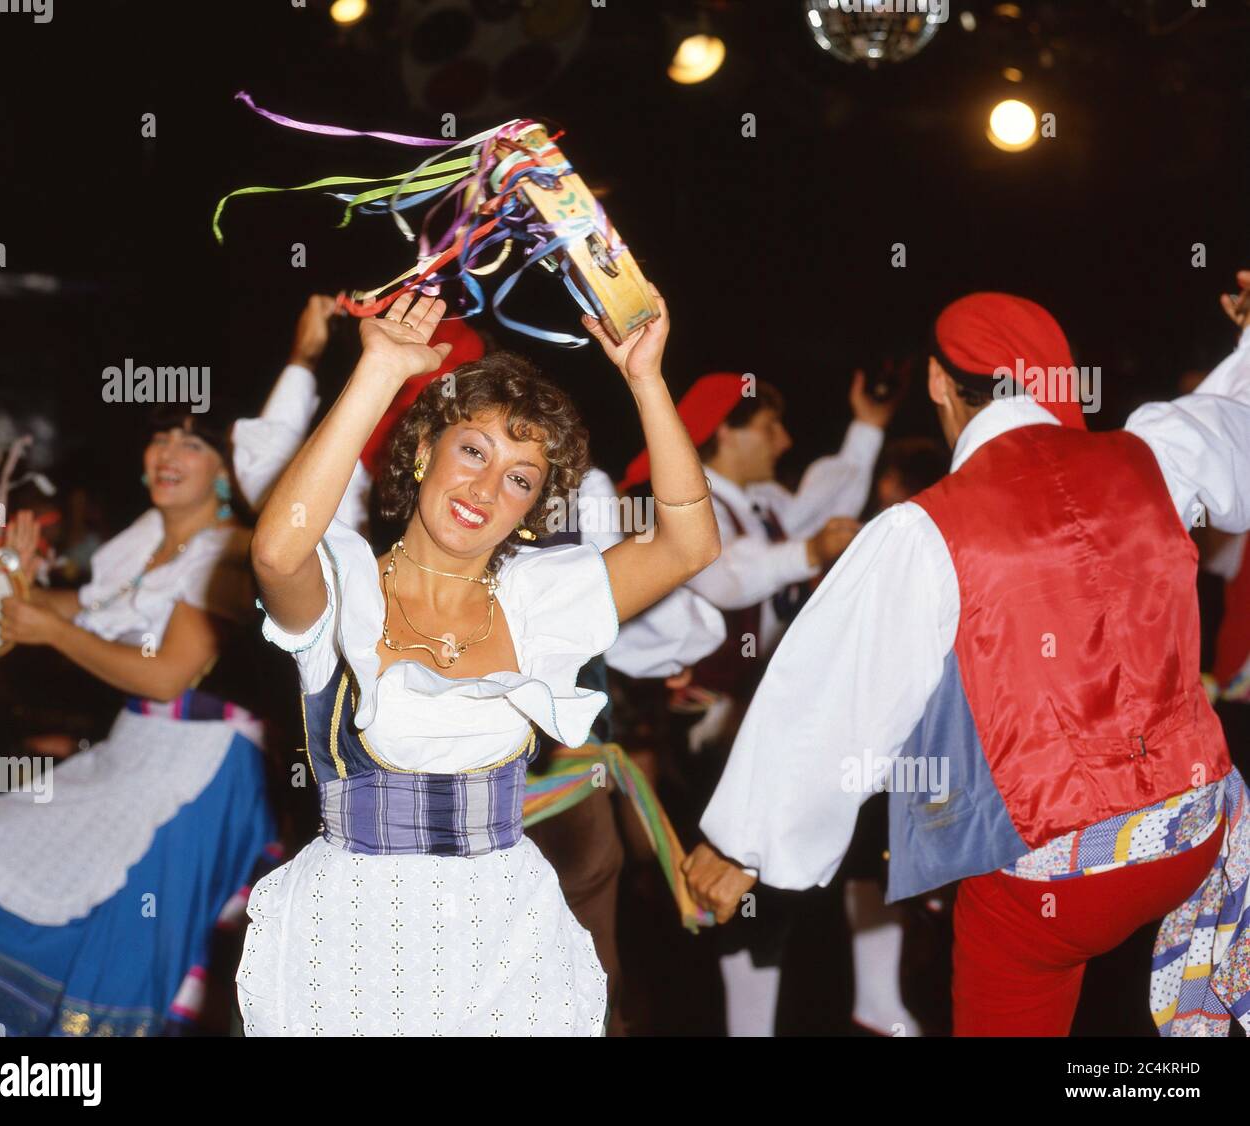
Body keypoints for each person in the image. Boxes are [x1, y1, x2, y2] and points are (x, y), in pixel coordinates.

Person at [686, 281, 1250, 1036]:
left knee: (1011, 940)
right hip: (1193, 830)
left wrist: (743, 843)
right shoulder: (1152, 455)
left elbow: (838, 691)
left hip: (1066, 873)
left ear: (936, 383)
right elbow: (1230, 425)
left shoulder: (925, 528)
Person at [236, 283, 719, 1036]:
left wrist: (646, 380)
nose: (486, 487)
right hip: (354, 937)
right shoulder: (345, 582)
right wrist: (380, 373)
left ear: (531, 510)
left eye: (519, 479)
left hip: (507, 932)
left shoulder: (538, 600)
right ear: (425, 450)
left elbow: (690, 544)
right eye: (473, 451)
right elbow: (273, 550)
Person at [0, 409, 277, 1036]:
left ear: (223, 472)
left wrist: (50, 630)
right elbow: (68, 610)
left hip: (200, 768)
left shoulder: (229, 550)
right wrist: (13, 579)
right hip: (137, 747)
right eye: (161, 438)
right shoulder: (144, 538)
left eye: (191, 444)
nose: (168, 453)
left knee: (127, 939)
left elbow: (164, 675)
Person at [621, 369, 897, 1036]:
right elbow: (726, 575)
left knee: (771, 884)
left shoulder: (764, 499)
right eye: (769, 426)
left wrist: (869, 426)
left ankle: (794, 1018)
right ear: (724, 433)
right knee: (725, 885)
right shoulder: (687, 502)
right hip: (704, 726)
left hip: (758, 722)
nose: (786, 439)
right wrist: (809, 550)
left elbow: (827, 499)